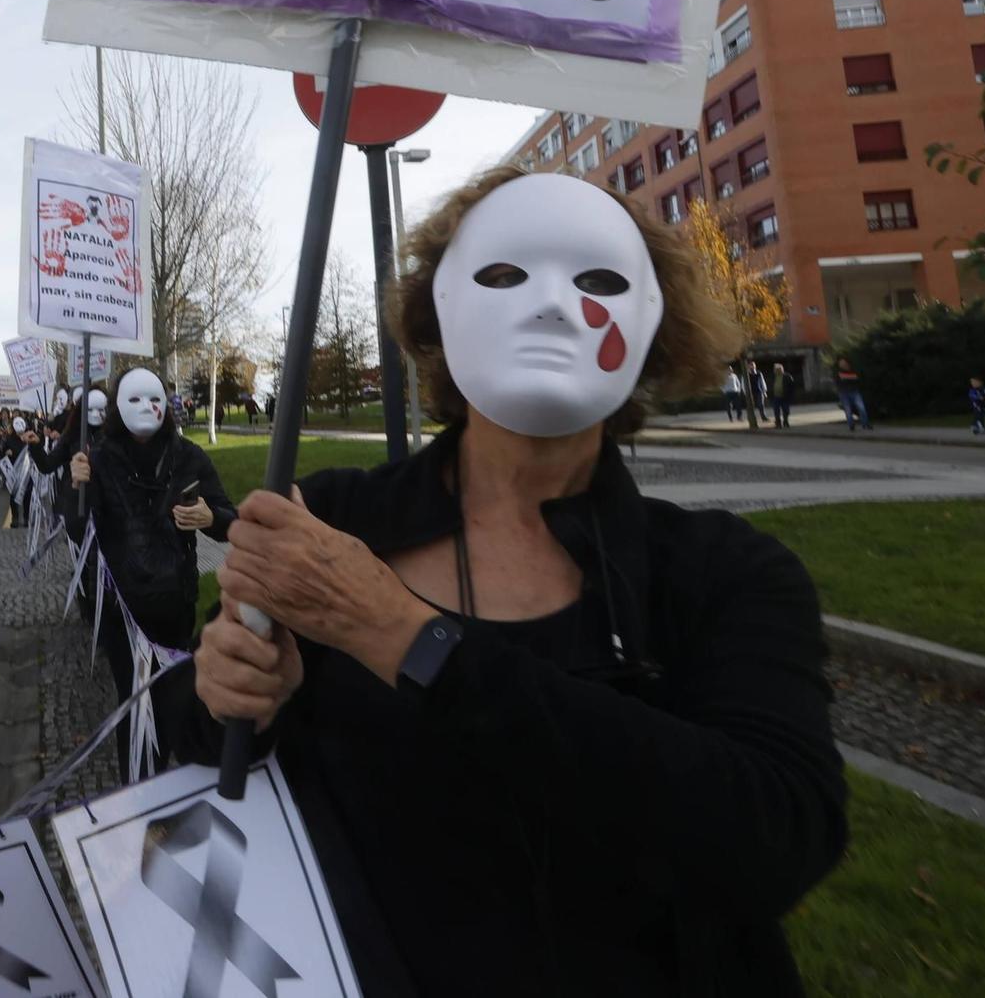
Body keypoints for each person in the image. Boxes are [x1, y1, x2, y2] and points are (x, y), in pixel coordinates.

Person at [164, 168, 845, 994]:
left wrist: (401, 634)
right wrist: (232, 691)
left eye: (596, 279)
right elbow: (196, 734)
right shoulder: (332, 523)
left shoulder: (723, 572)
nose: (552, 305)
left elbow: (774, 837)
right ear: (440, 313)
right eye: (503, 274)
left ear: (652, 320)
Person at [68, 368, 234, 759]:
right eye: (135, 399)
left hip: (174, 605)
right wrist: (76, 486)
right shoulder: (98, 459)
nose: (147, 407)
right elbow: (78, 532)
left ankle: (171, 789)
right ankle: (139, 797)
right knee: (134, 704)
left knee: (175, 702)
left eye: (154, 398)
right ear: (117, 406)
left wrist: (213, 518)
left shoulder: (189, 457)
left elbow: (230, 519)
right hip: (121, 610)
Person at [833, 358, 870, 432]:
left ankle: (865, 424)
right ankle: (851, 425)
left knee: (861, 408)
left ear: (847, 363)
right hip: (844, 393)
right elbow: (838, 383)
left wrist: (847, 379)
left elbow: (857, 380)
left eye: (843, 363)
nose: (842, 364)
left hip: (854, 392)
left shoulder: (853, 371)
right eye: (841, 363)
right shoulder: (838, 373)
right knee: (848, 410)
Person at [770, 360, 796, 429]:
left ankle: (785, 421)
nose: (776, 370)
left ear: (781, 369)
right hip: (776, 396)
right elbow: (770, 386)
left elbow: (792, 386)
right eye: (775, 369)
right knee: (776, 410)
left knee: (786, 410)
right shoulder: (773, 377)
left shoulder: (787, 376)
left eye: (778, 369)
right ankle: (778, 423)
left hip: (785, 396)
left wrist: (790, 395)